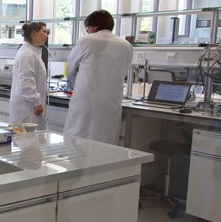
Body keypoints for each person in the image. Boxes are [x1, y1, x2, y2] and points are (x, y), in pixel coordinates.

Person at [63, 10, 133, 144]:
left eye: (87, 28)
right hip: (111, 104)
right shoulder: (126, 45)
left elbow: (70, 69)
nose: (88, 31)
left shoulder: (86, 40)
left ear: (93, 27)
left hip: (86, 102)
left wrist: (77, 85)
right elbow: (124, 71)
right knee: (105, 145)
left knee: (78, 143)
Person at [9, 22, 48, 128]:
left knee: (31, 140)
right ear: (34, 33)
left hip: (29, 105)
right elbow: (26, 81)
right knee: (27, 140)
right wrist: (36, 102)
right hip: (28, 107)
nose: (46, 35)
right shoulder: (27, 54)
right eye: (44, 32)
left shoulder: (33, 52)